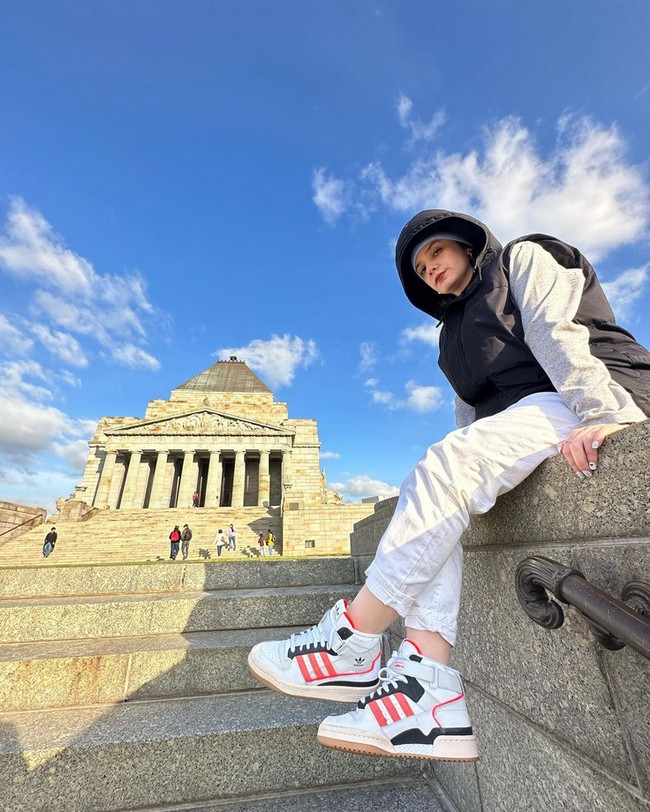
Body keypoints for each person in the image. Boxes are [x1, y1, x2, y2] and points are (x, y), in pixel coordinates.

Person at [249, 209, 650, 763]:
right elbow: (471, 423)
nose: (428, 268)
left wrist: (601, 413)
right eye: (418, 266)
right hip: (529, 418)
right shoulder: (451, 337)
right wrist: (458, 483)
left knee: (446, 468)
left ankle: (354, 642)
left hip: (593, 390)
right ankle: (427, 691)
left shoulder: (524, 258)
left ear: (466, 244)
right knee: (436, 484)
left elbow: (560, 336)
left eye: (435, 252)